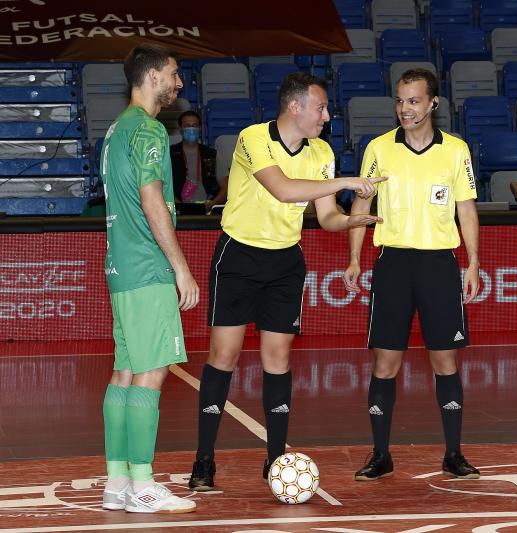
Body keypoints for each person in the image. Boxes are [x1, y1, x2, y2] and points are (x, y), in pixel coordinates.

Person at [188, 72, 385, 490]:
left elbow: (326, 215)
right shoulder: (253, 138)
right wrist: (347, 181)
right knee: (223, 356)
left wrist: (351, 221)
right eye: (321, 108)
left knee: (277, 360)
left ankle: (276, 459)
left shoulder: (322, 152)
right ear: (295, 107)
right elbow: (282, 189)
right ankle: (204, 460)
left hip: (285, 263)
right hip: (239, 257)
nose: (326, 117)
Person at [343, 68, 481, 481]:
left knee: (445, 362)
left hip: (439, 265)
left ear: (433, 102)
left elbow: (466, 208)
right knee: (385, 363)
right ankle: (380, 454)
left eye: (414, 101)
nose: (405, 108)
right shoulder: (378, 148)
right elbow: (361, 206)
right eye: (401, 101)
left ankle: (453, 454)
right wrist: (354, 258)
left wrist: (473, 262)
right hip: (393, 265)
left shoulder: (455, 150)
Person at [100, 44, 199, 513]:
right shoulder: (148, 128)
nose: (179, 83)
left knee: (124, 371)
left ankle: (117, 482)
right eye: (174, 74)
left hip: (120, 269)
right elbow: (152, 199)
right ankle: (141, 484)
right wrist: (180, 267)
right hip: (146, 267)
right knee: (152, 371)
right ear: (153, 75)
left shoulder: (115, 129)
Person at [170, 110, 226, 211]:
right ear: (180, 129)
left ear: (200, 128)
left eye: (194, 125)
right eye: (187, 125)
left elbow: (226, 187)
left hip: (207, 209)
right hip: (178, 209)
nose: (191, 129)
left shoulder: (213, 154)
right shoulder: (170, 154)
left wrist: (212, 204)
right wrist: (175, 203)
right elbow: (161, 185)